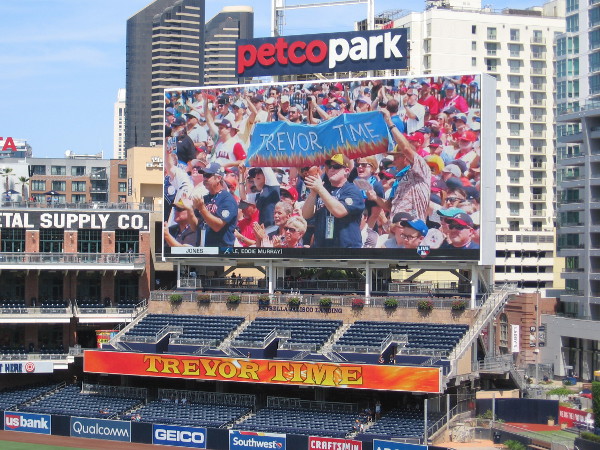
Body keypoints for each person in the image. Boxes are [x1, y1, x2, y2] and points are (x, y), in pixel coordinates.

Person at [367, 109, 431, 222]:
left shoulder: (422, 169)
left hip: (413, 230)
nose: (394, 161)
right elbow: (389, 206)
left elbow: (406, 148)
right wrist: (375, 197)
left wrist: (389, 122)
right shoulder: (399, 178)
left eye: (397, 157)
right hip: (395, 228)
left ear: (405, 157)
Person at [302, 154, 365, 248]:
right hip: (322, 249)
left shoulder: (352, 191)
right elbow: (306, 214)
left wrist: (320, 189)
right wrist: (313, 193)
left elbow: (339, 212)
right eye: (329, 166)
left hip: (346, 251)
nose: (331, 169)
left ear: (346, 171)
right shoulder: (322, 189)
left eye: (336, 166)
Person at [193, 162, 238, 247]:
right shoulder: (205, 198)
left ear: (218, 178)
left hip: (221, 252)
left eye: (208, 175)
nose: (205, 178)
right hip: (203, 249)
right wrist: (189, 210)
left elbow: (217, 226)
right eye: (204, 175)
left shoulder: (227, 199)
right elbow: (194, 227)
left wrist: (202, 209)